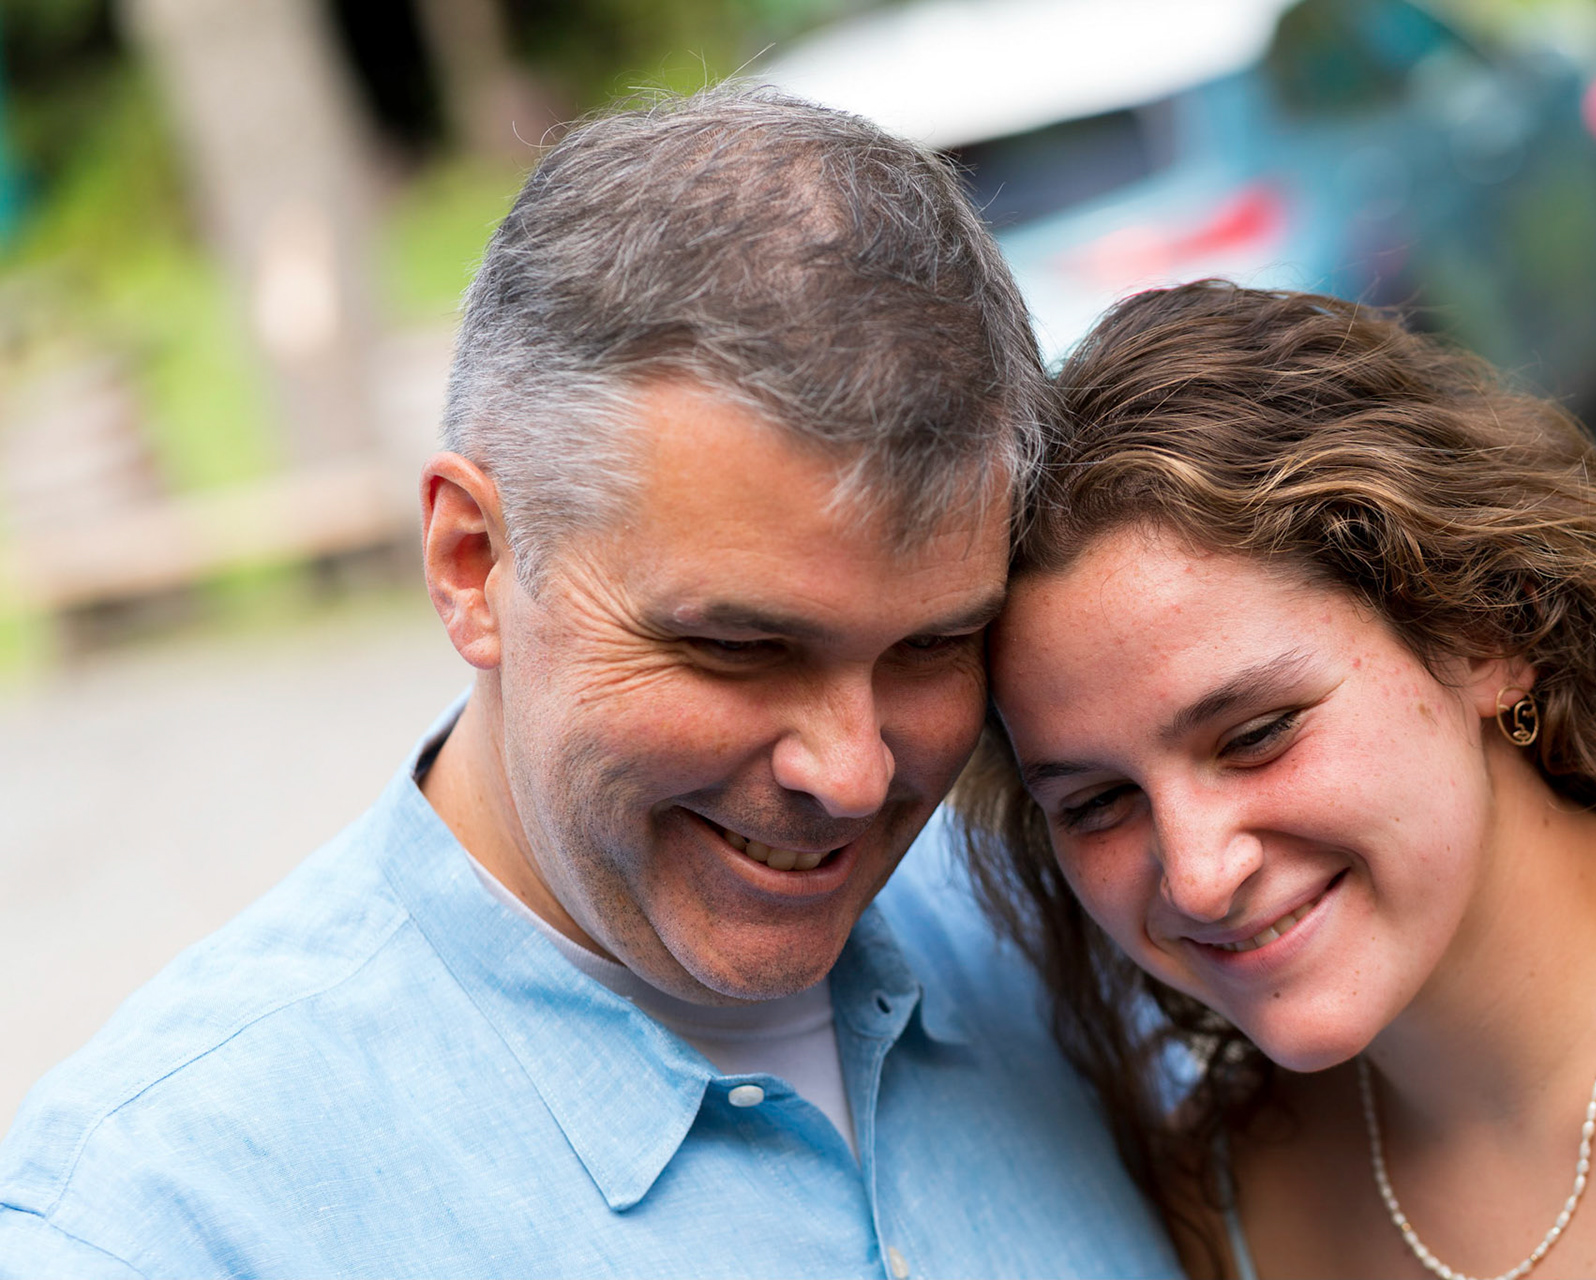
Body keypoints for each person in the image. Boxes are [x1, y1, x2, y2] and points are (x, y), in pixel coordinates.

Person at [0, 89, 1179, 1279]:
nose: (853, 769)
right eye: (738, 648)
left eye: (932, 646)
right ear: (472, 561)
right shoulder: (164, 1219)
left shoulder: (1088, 935)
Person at [958, 281, 1596, 1279]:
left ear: (1484, 630)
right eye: (1097, 802)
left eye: (1255, 734)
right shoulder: (1224, 1198)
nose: (1197, 874)